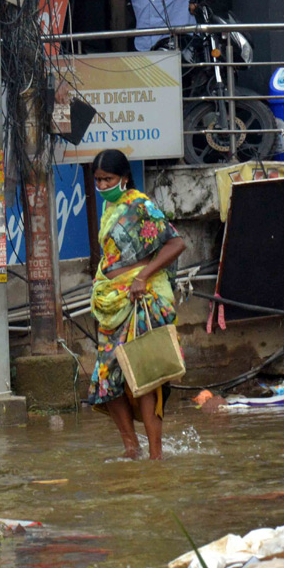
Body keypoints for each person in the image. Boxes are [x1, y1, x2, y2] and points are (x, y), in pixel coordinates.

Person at [87, 149, 187, 460]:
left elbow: (176, 242)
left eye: (109, 179)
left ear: (125, 177)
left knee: (145, 376)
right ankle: (131, 448)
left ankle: (155, 455)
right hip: (112, 304)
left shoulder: (140, 206)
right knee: (107, 377)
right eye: (98, 180)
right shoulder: (110, 210)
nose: (103, 185)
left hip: (140, 301)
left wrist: (142, 276)